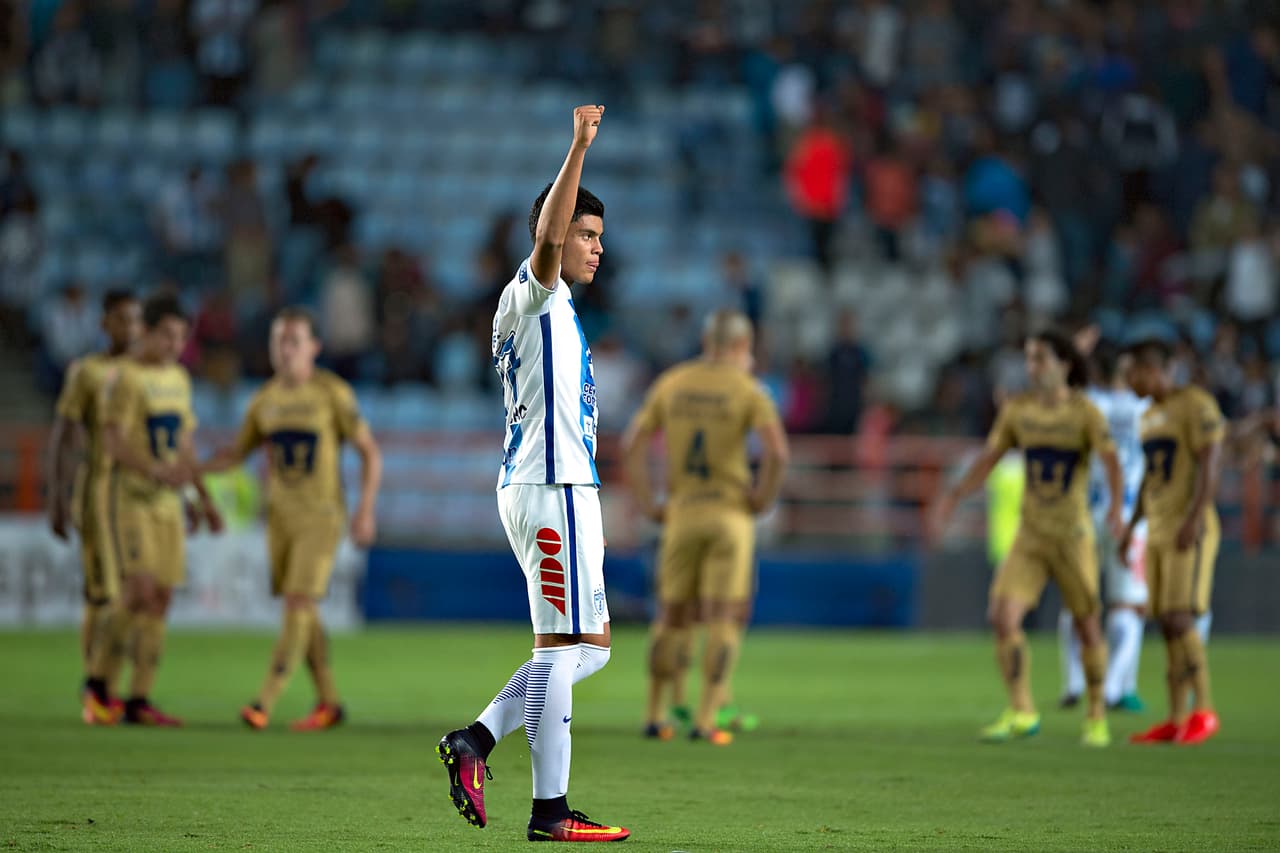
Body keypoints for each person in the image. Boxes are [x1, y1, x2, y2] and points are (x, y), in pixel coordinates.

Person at [436, 105, 629, 843]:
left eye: (599, 236)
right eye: (586, 232)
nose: (594, 246)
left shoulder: (559, 308)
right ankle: (551, 810)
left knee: (591, 645)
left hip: (560, 486)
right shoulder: (534, 289)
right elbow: (548, 236)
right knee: (560, 647)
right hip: (550, 486)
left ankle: (477, 741)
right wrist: (577, 146)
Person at [930, 330, 1124, 748]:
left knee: (1088, 625)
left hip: (1072, 533)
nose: (1031, 367)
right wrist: (955, 497)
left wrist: (1114, 508)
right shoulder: (1018, 412)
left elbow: (1111, 464)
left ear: (1064, 365)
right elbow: (989, 458)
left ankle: (1095, 714)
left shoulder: (1086, 413)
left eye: (1039, 358)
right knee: (1003, 616)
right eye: (1029, 358)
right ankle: (1022, 710)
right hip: (1031, 532)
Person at [200, 307, 382, 731]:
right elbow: (237, 453)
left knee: (299, 602)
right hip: (279, 518)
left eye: (294, 341)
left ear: (314, 347)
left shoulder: (331, 393)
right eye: (279, 340)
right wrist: (196, 469)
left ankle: (263, 701)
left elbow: (369, 451)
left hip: (321, 516)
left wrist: (365, 510)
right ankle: (329, 703)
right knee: (304, 610)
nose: (285, 350)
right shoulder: (263, 400)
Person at [621, 310, 788, 745]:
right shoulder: (747, 390)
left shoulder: (672, 384)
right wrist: (762, 499)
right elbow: (778, 453)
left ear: (705, 339)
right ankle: (706, 718)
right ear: (740, 346)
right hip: (729, 515)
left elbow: (631, 446)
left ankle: (655, 715)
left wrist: (647, 503)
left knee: (671, 617)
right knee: (724, 618)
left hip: (681, 513)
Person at [96, 294, 222, 726]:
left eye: (181, 336)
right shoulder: (125, 378)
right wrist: (152, 469)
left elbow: (185, 445)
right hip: (132, 498)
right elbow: (112, 441)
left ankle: (139, 699)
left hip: (169, 504)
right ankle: (97, 684)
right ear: (145, 332)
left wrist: (201, 498)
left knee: (162, 598)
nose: (174, 343)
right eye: (167, 334)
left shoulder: (179, 380)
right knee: (139, 591)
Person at [1124, 339, 1224, 746]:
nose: (1129, 379)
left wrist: (1196, 516)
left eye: (1133, 372)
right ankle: (1176, 717)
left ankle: (1204, 710)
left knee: (1182, 617)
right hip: (1160, 527)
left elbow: (1211, 459)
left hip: (1189, 527)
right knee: (1166, 622)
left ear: (1153, 368)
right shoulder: (1147, 416)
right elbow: (1151, 476)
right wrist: (1133, 527)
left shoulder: (1195, 404)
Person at [48, 290, 142, 723]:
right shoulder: (87, 371)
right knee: (102, 594)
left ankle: (109, 687)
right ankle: (96, 689)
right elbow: (63, 435)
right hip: (98, 489)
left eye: (137, 320)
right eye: (122, 320)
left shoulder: (147, 373)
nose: (131, 329)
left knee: (131, 596)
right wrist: (57, 495)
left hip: (137, 496)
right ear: (104, 323)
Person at [1058, 339, 1150, 713]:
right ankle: (1115, 688)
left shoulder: (1085, 405)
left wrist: (1076, 348)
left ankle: (1074, 681)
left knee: (1077, 597)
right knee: (1129, 605)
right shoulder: (1147, 408)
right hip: (1129, 518)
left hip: (1084, 513)